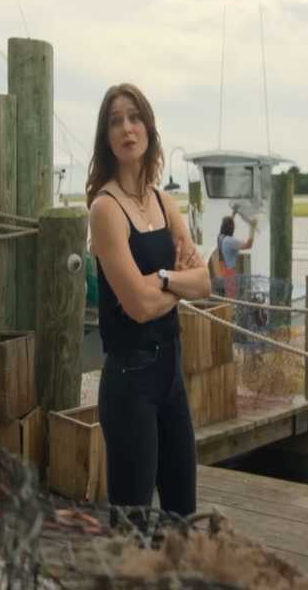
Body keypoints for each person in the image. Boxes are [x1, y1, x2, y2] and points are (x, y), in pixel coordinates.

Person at [87, 83, 210, 515]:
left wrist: (159, 278)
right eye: (116, 120)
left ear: (149, 129)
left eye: (135, 117)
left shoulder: (163, 201)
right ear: (106, 137)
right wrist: (178, 284)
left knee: (182, 514)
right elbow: (137, 307)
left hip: (170, 375)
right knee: (132, 524)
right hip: (130, 380)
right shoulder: (106, 209)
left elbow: (205, 282)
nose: (127, 127)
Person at [209, 214, 256, 298]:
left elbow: (227, 223)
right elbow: (249, 245)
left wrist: (234, 213)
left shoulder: (220, 237)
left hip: (221, 272)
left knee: (225, 298)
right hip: (229, 274)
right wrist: (252, 228)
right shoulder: (230, 241)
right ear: (232, 228)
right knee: (231, 299)